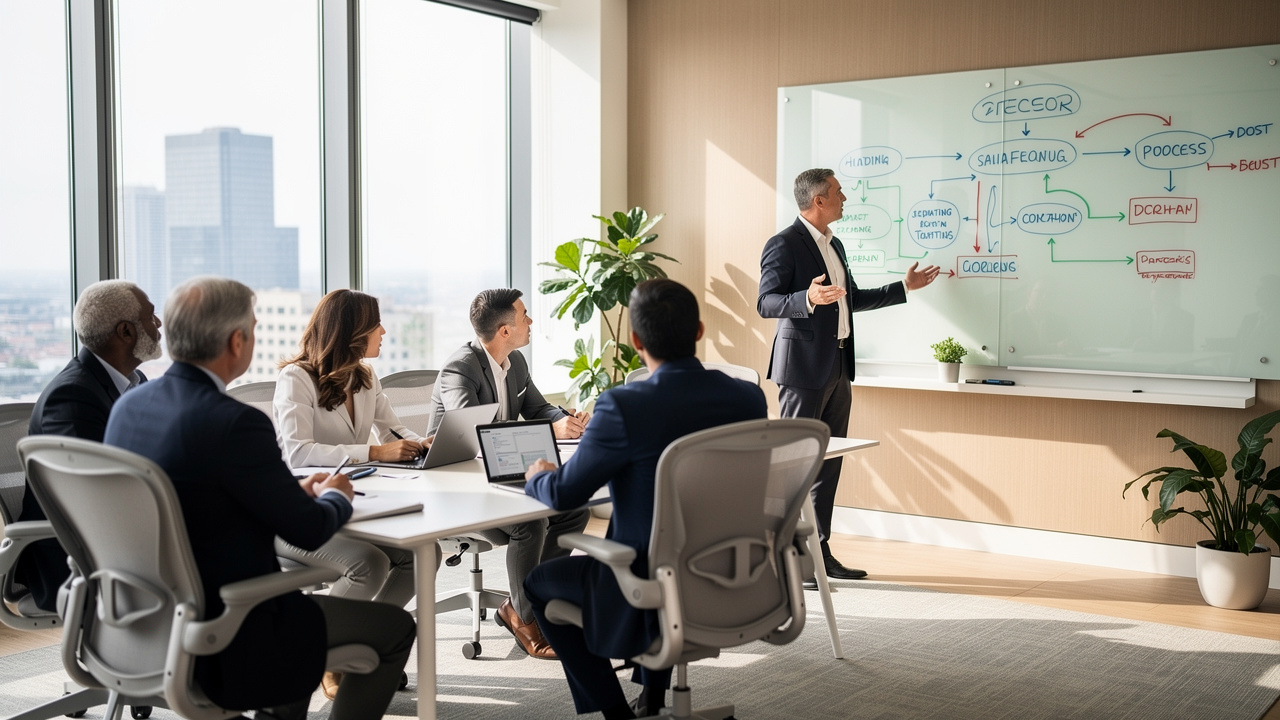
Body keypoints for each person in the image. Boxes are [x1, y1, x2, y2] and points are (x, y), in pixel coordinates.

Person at [104, 276, 414, 720]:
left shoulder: (128, 408)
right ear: (236, 341)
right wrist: (336, 496)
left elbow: (205, 493)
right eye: (253, 327)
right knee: (396, 629)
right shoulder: (235, 422)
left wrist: (287, 491)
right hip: (232, 618)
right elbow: (308, 527)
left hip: (141, 616)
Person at [521, 279, 768, 719]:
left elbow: (565, 494)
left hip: (650, 580)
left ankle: (618, 715)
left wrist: (539, 474)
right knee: (666, 544)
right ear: (699, 331)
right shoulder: (748, 397)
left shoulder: (624, 406)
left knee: (538, 583)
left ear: (635, 341)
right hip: (731, 569)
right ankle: (652, 696)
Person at [758, 168, 939, 584]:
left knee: (828, 463)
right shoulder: (784, 244)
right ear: (818, 200)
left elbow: (849, 299)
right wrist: (807, 297)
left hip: (838, 366)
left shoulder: (833, 243)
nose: (845, 198)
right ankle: (785, 556)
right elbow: (766, 302)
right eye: (839, 192)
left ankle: (818, 552)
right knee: (796, 464)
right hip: (802, 370)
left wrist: (903, 287)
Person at [272, 289, 424, 698]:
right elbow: (297, 454)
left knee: (421, 555)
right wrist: (373, 452)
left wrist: (426, 443)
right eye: (376, 324)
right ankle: (326, 655)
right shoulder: (296, 378)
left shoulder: (365, 376)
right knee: (370, 565)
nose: (384, 331)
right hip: (298, 515)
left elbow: (393, 429)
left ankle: (365, 643)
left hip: (355, 506)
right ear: (352, 330)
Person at [427, 288, 591, 660]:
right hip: (457, 486)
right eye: (525, 315)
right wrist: (552, 432)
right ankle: (528, 620)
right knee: (530, 522)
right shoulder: (460, 368)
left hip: (498, 475)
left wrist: (563, 420)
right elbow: (474, 435)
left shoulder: (514, 362)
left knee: (572, 509)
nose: (531, 321)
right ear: (504, 330)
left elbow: (539, 408)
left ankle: (525, 605)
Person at [16, 280, 162, 612]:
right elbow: (95, 499)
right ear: (126, 332)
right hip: (74, 564)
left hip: (116, 544)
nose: (159, 324)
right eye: (151, 316)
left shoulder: (132, 384)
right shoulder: (72, 398)